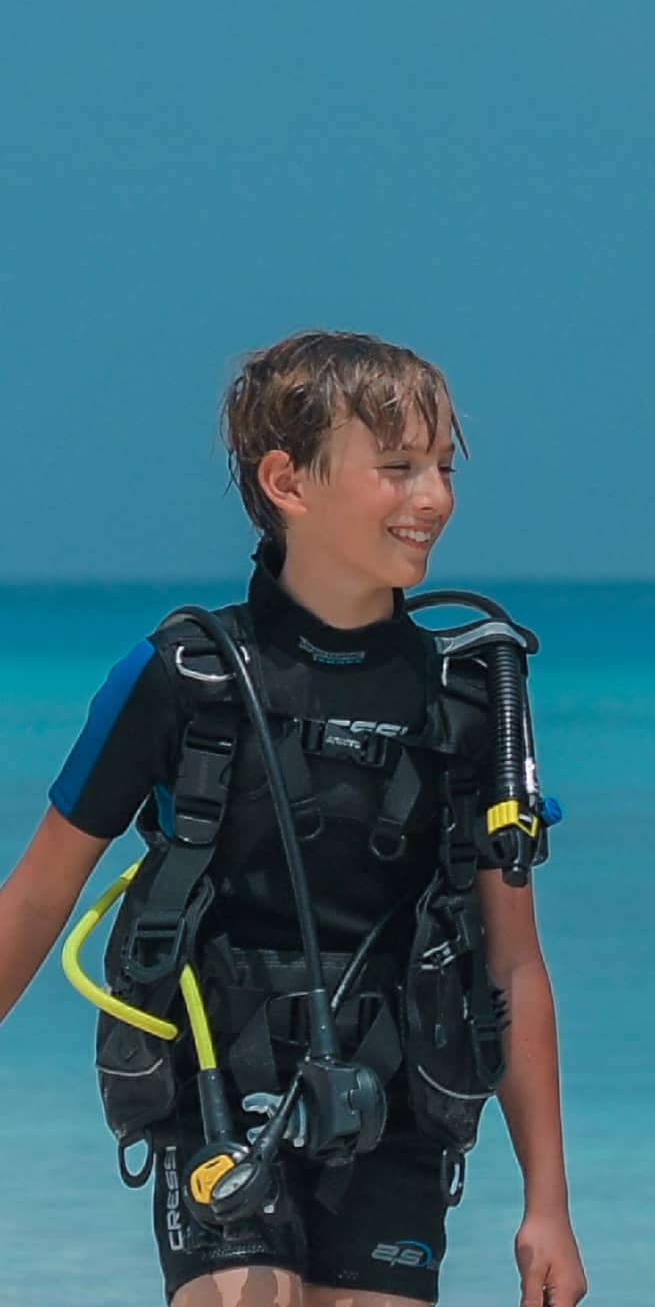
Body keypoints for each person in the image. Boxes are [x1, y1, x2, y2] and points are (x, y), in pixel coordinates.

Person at [0, 332, 587, 1307]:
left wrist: (548, 1205)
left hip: (396, 1111)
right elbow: (35, 897)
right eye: (397, 467)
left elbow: (514, 963)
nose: (434, 498)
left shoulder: (470, 702)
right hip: (215, 1098)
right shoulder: (182, 679)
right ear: (287, 482)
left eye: (443, 468)